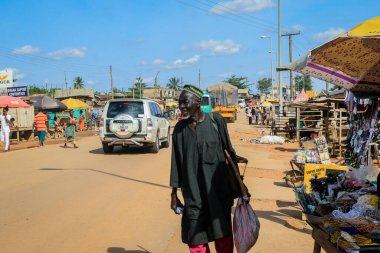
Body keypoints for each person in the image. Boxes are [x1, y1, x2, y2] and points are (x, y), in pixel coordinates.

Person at [170, 84, 247, 253]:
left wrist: (240, 186)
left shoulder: (216, 121)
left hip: (218, 192)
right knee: (196, 240)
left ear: (198, 102)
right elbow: (176, 162)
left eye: (185, 102)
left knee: (223, 236)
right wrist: (174, 193)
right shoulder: (179, 130)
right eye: (179, 102)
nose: (181, 106)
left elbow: (229, 153)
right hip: (193, 194)